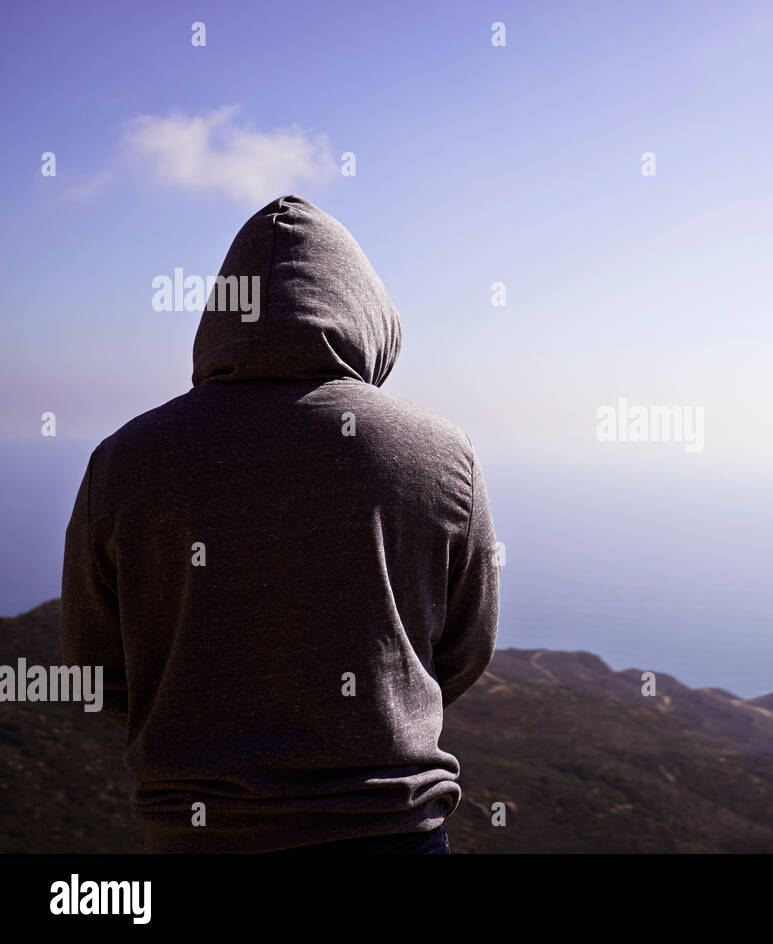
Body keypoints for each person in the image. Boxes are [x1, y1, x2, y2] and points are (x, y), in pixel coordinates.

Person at [60, 195, 499, 853]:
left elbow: (97, 672)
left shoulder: (124, 459)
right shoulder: (438, 451)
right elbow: (462, 650)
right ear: (370, 317)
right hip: (390, 833)